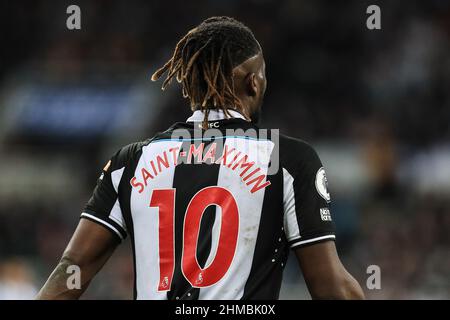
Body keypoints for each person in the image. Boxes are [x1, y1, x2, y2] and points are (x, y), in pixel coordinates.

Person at [37, 16, 364, 300]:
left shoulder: (132, 160)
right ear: (253, 82)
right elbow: (330, 288)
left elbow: (72, 269)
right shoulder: (286, 159)